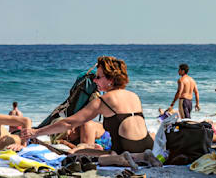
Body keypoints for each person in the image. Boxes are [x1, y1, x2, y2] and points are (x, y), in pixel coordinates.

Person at [21, 56, 160, 168]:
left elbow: (69, 122)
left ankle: (126, 158)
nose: (94, 80)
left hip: (126, 148)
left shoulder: (104, 100)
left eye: (98, 77)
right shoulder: (134, 96)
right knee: (80, 151)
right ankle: (142, 156)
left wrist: (36, 132)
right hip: (147, 144)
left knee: (100, 160)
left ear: (110, 80)